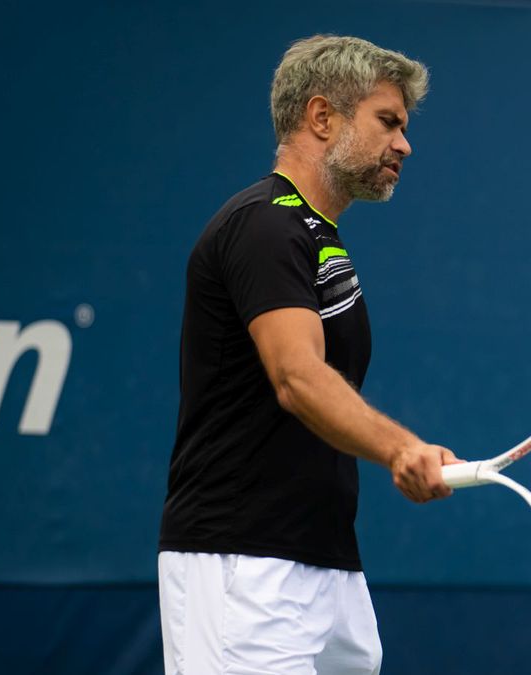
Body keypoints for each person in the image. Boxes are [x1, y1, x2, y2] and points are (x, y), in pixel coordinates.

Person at [158, 35, 459, 675]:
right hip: (241, 563)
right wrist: (400, 448)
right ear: (323, 117)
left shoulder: (316, 235)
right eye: (388, 122)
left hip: (325, 558)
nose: (404, 145)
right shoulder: (264, 223)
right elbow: (296, 378)